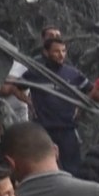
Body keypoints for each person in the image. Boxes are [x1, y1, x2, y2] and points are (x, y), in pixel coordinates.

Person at [21, 37, 94, 174]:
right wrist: (28, 101)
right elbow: (14, 87)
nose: (61, 55)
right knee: (42, 167)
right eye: (56, 51)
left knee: (73, 169)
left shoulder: (73, 74)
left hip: (67, 129)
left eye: (63, 51)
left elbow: (92, 90)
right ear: (46, 52)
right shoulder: (36, 73)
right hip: (43, 129)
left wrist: (80, 108)